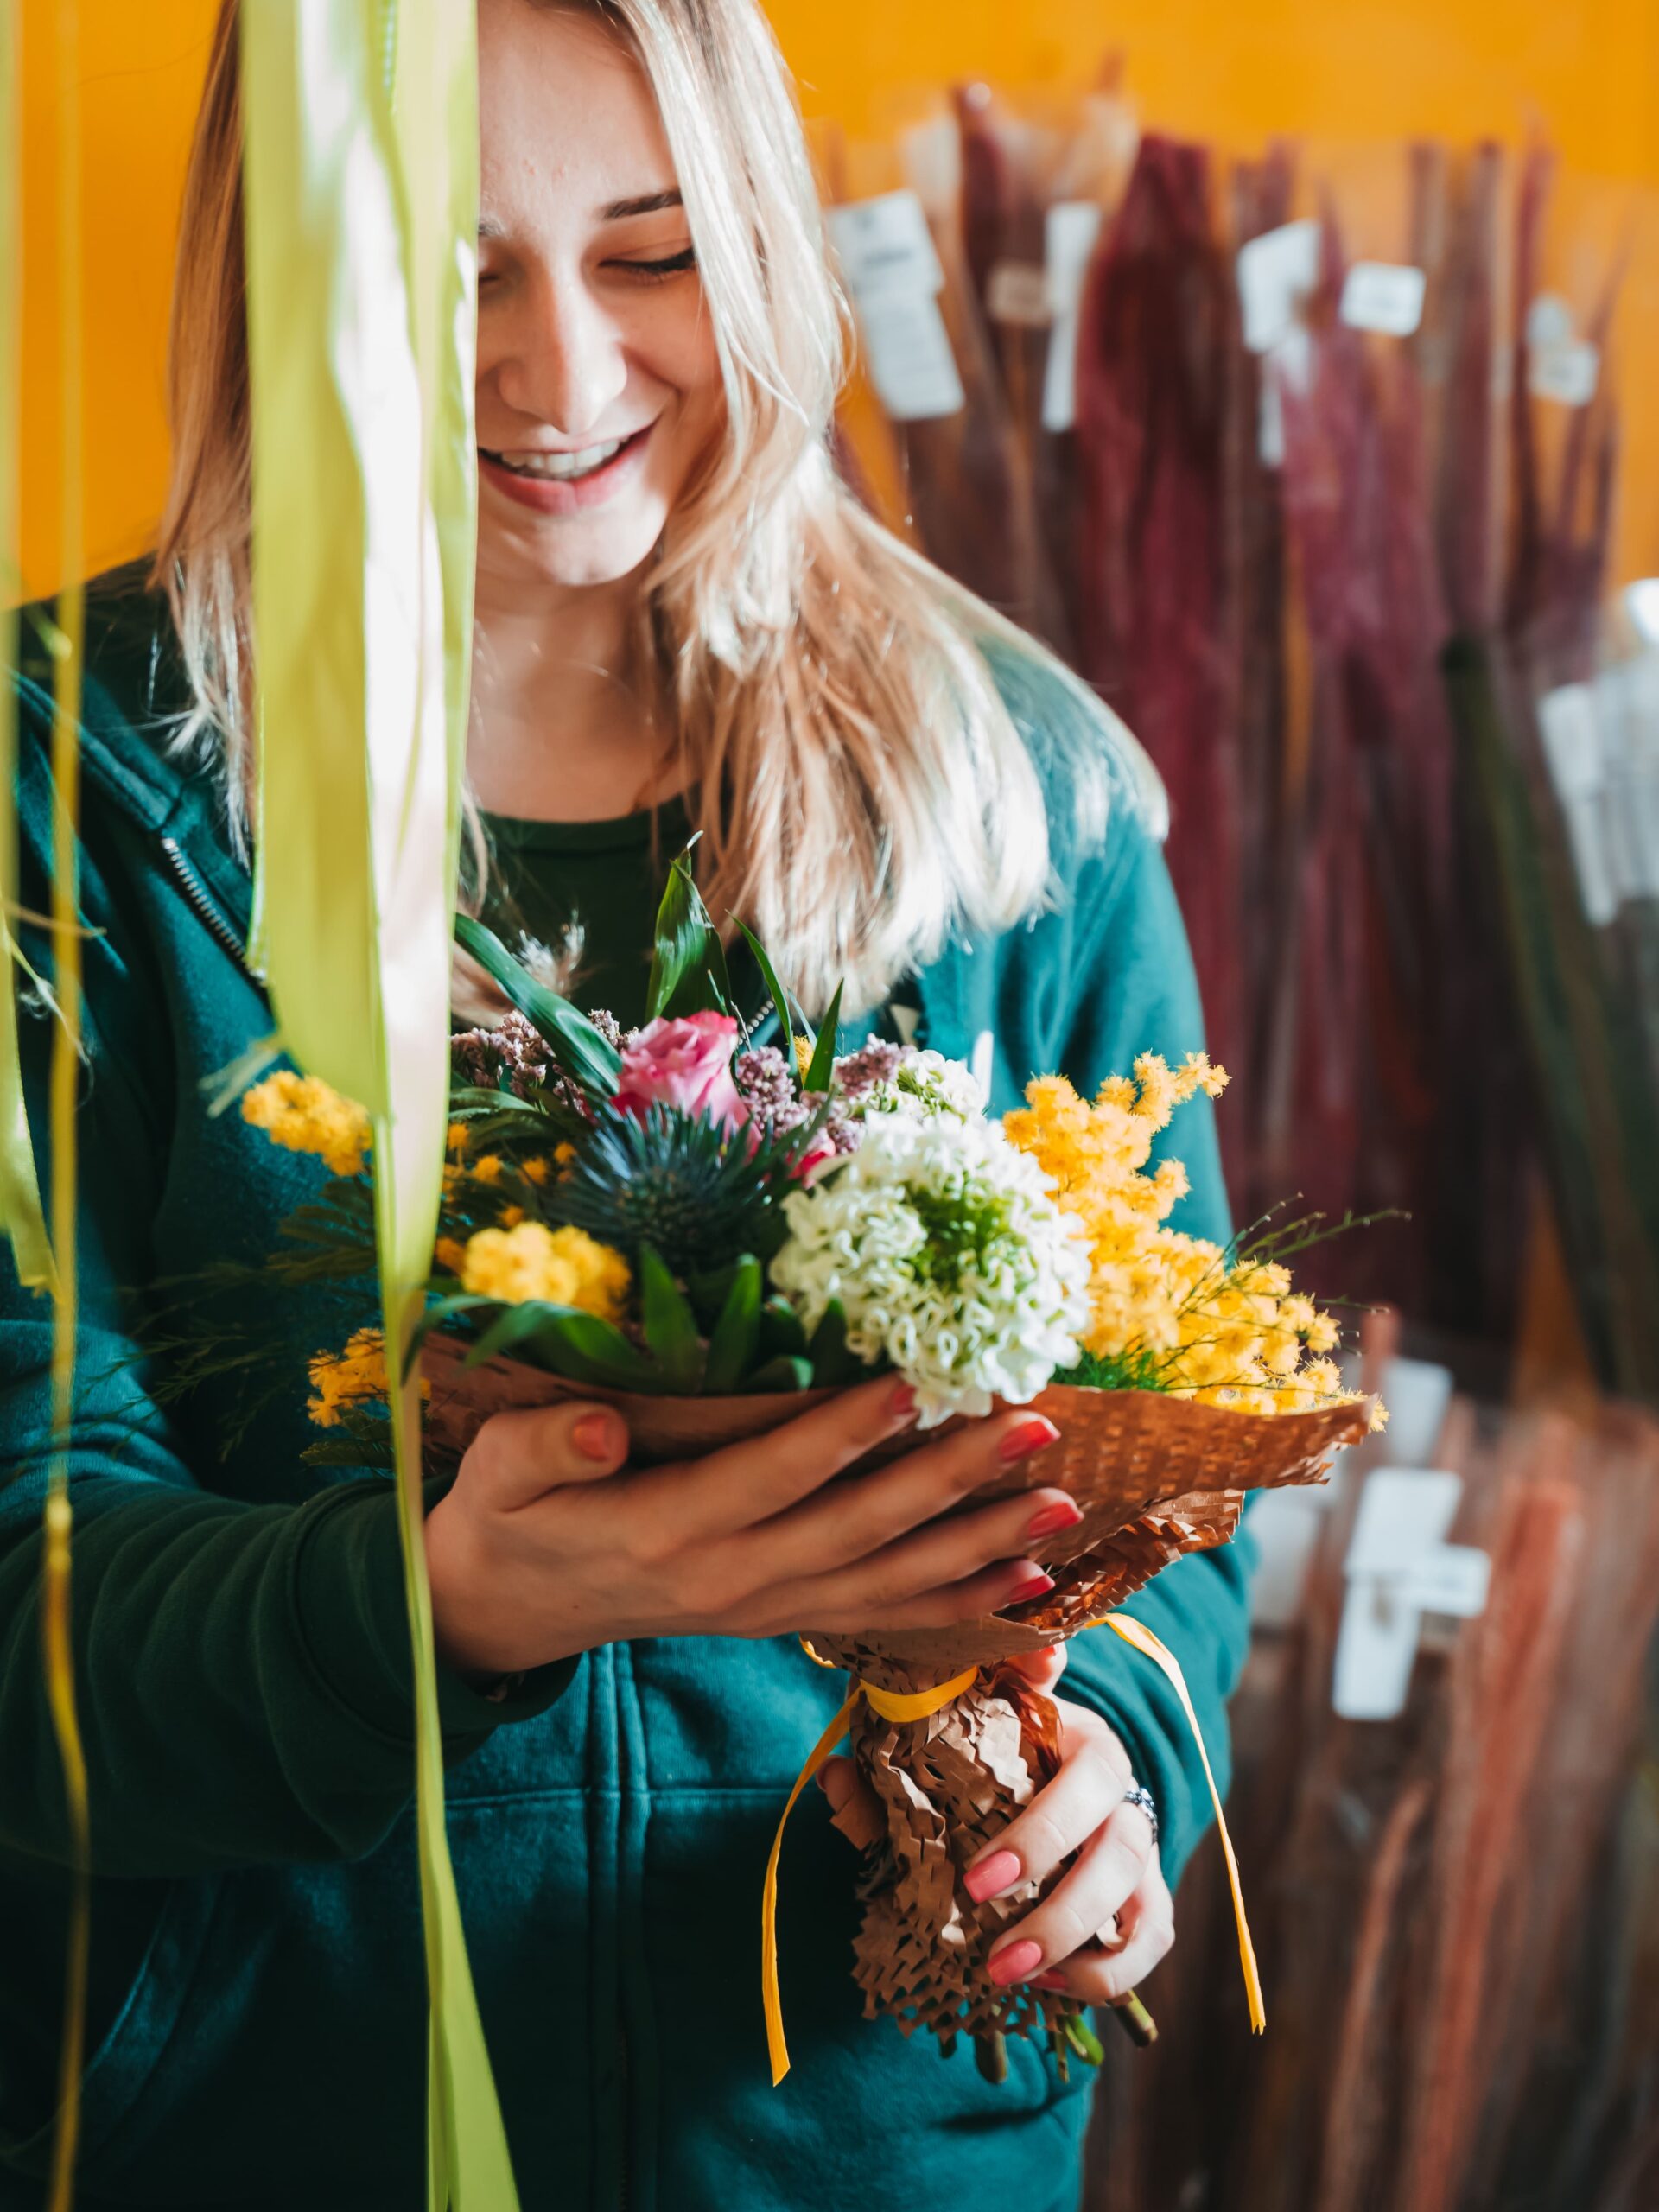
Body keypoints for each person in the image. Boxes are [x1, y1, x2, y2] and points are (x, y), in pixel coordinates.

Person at [0, 3, 1253, 2207]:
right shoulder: (65, 793)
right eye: (443, 261)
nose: (555, 377)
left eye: (654, 254)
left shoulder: (1016, 800)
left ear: (769, 242)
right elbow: (27, 1572)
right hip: (254, 2132)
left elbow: (1167, 1501)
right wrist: (443, 1609)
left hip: (865, 2143)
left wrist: (1111, 1765)